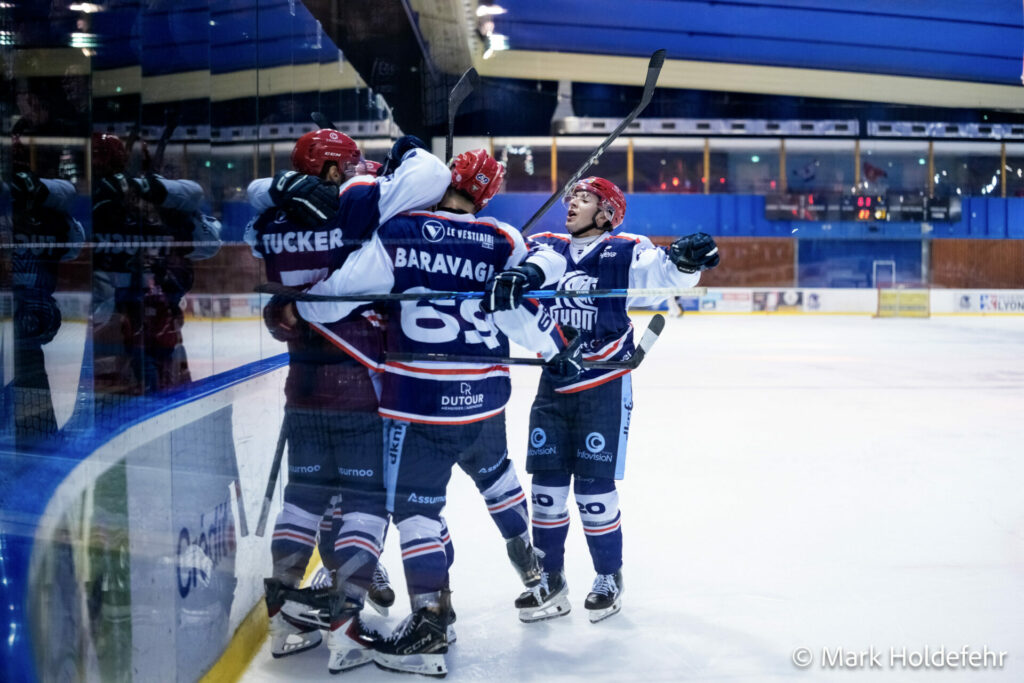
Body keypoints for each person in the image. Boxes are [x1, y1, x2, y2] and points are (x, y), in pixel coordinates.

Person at [285, 148, 575, 677]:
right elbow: (535, 295)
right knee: (498, 478)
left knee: (418, 514)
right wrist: (557, 349)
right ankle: (535, 574)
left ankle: (430, 626)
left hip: (418, 408)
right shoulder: (505, 239)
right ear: (485, 194)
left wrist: (297, 304)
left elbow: (333, 298)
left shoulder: (400, 231)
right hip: (485, 401)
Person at [245, 130, 450, 672]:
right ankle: (344, 627)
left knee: (303, 501)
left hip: (302, 386)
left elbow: (275, 296)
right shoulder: (353, 207)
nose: (359, 168)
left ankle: (285, 623)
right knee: (364, 504)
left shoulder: (269, 224)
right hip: (359, 384)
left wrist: (280, 189)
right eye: (350, 163)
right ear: (335, 170)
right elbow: (432, 177)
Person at [486, 176, 719, 624]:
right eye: (571, 196)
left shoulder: (624, 248)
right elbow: (543, 263)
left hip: (604, 383)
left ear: (607, 213)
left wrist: (688, 261)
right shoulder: (549, 243)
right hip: (555, 381)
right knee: (547, 491)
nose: (572, 203)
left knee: (594, 492)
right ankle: (549, 581)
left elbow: (665, 272)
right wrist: (522, 275)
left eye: (584, 198)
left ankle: (609, 576)